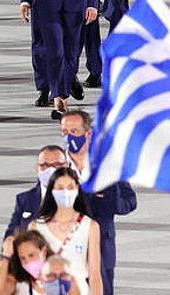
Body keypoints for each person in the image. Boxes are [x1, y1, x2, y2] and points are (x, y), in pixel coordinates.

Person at [57, 108, 138, 295]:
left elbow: (130, 201)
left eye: (74, 132)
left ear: (89, 134)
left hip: (101, 249)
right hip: (64, 251)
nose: (69, 138)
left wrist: (110, 201)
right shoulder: (56, 166)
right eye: (65, 133)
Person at [29, 167, 102, 295]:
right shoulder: (36, 227)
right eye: (60, 188)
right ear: (52, 191)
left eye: (70, 187)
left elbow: (95, 274)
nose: (65, 192)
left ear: (77, 189)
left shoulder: (90, 226)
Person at [4, 145, 70, 240]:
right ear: (37, 167)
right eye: (45, 165)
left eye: (57, 165)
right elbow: (11, 234)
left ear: (67, 166)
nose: (51, 170)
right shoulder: (24, 199)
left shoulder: (82, 198)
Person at [0, 229, 54, 294]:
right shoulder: (19, 281)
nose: (28, 261)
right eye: (23, 258)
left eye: (31, 255)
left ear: (44, 251)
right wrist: (6, 255)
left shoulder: (60, 274)